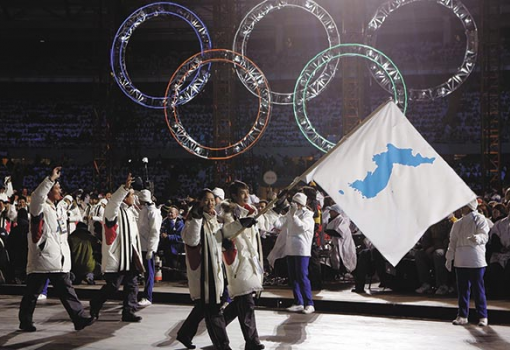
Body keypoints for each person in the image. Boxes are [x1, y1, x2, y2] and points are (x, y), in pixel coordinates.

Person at [18, 167, 94, 332]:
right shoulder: (39, 206)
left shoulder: (57, 208)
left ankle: (79, 318)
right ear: (50, 190)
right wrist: (50, 179)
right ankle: (25, 320)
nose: (60, 190)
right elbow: (38, 195)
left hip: (55, 258)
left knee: (65, 290)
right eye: (57, 188)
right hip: (42, 257)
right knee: (32, 293)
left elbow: (69, 221)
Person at [178, 188, 249, 350]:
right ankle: (223, 345)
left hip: (214, 272)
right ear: (199, 202)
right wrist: (196, 217)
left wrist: (241, 225)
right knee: (214, 310)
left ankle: (185, 333)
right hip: (203, 275)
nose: (210, 203)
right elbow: (192, 240)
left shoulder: (214, 220)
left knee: (204, 307)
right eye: (206, 200)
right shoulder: (192, 220)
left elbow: (221, 235)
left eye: (212, 200)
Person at [90, 173, 145, 322]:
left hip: (130, 254)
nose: (134, 197)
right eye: (131, 194)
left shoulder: (131, 211)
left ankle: (129, 311)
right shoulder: (112, 210)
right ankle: (95, 303)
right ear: (125, 196)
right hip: (119, 256)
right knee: (113, 286)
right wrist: (124, 188)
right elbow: (114, 202)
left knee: (132, 285)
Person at [445, 199, 490, 327]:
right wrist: (449, 257)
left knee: (478, 289)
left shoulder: (480, 219)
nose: (461, 208)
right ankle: (462, 315)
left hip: (475, 259)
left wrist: (478, 238)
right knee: (463, 289)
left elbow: (485, 235)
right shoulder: (458, 223)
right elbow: (452, 242)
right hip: (461, 259)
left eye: (464, 206)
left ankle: (482, 315)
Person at [280, 192, 315, 314]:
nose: (293, 205)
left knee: (302, 276)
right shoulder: (290, 213)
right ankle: (298, 302)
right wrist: (274, 213)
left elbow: (302, 227)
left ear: (301, 204)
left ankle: (309, 303)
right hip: (290, 249)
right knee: (293, 277)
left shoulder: (308, 215)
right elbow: (279, 224)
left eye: (296, 203)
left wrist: (293, 215)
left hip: (302, 250)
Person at [137, 189, 162, 307]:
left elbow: (155, 231)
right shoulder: (144, 210)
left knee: (149, 272)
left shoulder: (153, 212)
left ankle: (148, 296)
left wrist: (151, 248)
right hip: (141, 245)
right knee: (144, 272)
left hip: (147, 247)